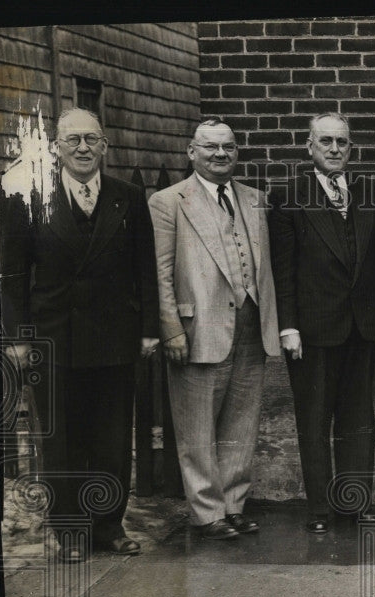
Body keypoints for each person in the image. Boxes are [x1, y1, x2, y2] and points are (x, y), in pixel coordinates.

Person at [0, 107, 158, 562]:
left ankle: (109, 527)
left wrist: (149, 330)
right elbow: (12, 274)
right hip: (54, 339)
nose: (83, 148)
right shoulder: (30, 198)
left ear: (105, 145)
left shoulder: (128, 196)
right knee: (60, 441)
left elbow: (144, 270)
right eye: (74, 141)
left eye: (91, 139)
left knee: (111, 438)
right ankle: (68, 531)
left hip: (114, 337)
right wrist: (19, 337)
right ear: (57, 148)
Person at [149, 119, 280, 540]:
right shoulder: (169, 202)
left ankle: (234, 503)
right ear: (192, 152)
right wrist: (171, 329)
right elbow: (160, 273)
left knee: (241, 422)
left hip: (250, 324)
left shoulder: (256, 200)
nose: (221, 155)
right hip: (197, 327)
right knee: (197, 427)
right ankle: (207, 513)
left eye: (228, 147)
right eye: (210, 148)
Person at [268, 113, 375, 534]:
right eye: (326, 142)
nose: (335, 149)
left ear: (351, 148)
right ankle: (320, 508)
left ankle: (355, 505)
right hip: (313, 330)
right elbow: (282, 271)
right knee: (315, 419)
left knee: (359, 420)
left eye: (342, 142)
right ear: (310, 147)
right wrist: (288, 327)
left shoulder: (370, 193)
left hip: (362, 327)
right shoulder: (290, 198)